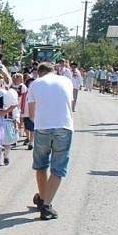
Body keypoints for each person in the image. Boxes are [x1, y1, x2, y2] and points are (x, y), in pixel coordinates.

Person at [27, 62, 74, 221]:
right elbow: (71, 104)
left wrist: (40, 120)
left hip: (42, 128)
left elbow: (31, 113)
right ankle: (46, 204)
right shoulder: (66, 81)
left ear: (39, 73)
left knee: (41, 165)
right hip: (64, 126)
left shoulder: (35, 83)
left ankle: (42, 199)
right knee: (57, 168)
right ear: (54, 71)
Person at [20, 76, 36, 150]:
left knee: (32, 128)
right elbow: (20, 101)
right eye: (30, 83)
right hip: (25, 112)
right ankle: (28, 138)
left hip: (33, 113)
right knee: (26, 128)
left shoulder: (37, 93)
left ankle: (31, 142)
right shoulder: (24, 93)